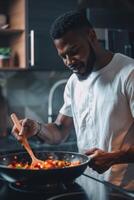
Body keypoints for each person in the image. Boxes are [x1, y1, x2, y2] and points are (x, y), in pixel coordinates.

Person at [12, 10, 134, 191]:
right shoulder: (74, 82)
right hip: (86, 186)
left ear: (91, 36)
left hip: (124, 190)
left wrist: (114, 157)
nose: (69, 61)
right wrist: (36, 128)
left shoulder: (128, 74)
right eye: (63, 56)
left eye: (74, 51)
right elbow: (59, 131)